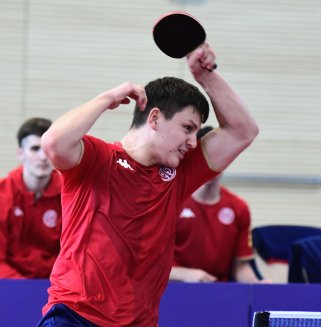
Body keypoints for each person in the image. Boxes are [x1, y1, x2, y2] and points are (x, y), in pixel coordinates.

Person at [37, 43, 258, 326]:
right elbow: (53, 142)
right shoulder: (96, 158)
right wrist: (107, 98)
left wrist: (206, 77)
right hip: (76, 316)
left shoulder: (180, 173)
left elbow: (243, 130)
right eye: (187, 128)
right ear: (154, 118)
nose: (193, 142)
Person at [170, 127, 263, 284]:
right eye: (205, 156)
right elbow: (146, 265)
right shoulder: (171, 200)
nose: (211, 163)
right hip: (175, 289)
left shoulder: (239, 208)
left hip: (220, 293)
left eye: (218, 155)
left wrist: (259, 287)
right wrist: (183, 274)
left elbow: (240, 268)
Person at [0, 117, 62, 279]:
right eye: (35, 148)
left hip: (56, 286)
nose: (43, 157)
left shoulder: (71, 195)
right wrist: (24, 290)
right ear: (21, 153)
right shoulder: (2, 194)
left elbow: (75, 256)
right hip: (10, 286)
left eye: (48, 149)